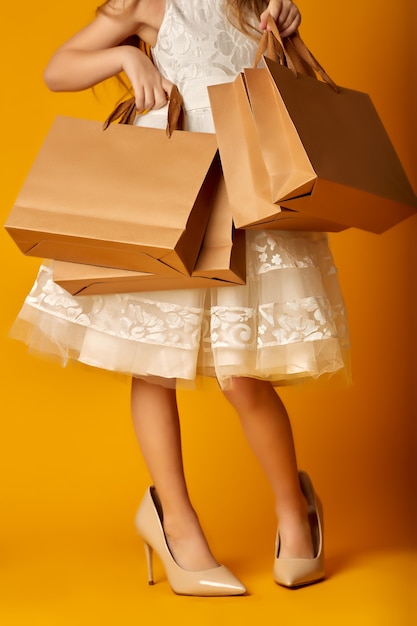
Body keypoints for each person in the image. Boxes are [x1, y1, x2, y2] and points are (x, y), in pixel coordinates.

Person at [11, 0, 350, 595]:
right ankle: (177, 524)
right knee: (153, 361)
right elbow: (57, 69)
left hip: (247, 189)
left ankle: (296, 513)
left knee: (241, 375)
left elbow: (275, 80)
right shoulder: (145, 4)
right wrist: (122, 56)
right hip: (172, 191)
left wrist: (287, 22)